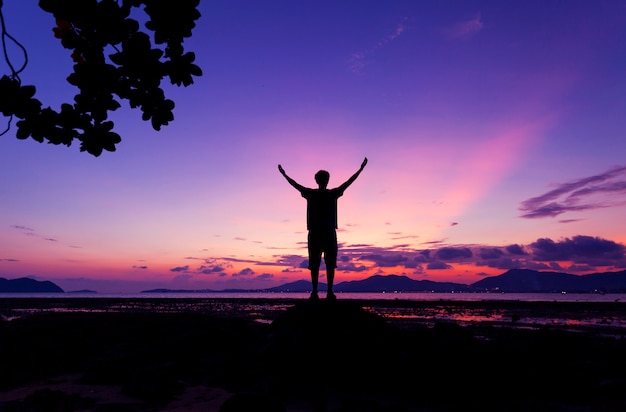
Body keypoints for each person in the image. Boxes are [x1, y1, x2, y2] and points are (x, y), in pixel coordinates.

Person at [278, 157, 367, 300]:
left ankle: (321, 292)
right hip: (323, 232)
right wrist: (361, 169)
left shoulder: (318, 194)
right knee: (322, 263)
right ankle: (322, 292)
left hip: (320, 232)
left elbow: (295, 184)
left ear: (318, 181)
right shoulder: (328, 193)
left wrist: (284, 174)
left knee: (321, 263)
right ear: (325, 181)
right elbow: (348, 182)